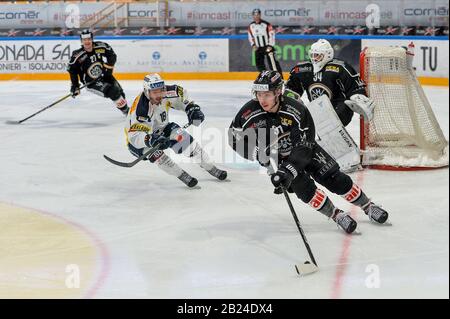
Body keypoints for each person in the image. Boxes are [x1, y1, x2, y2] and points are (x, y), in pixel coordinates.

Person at [229, 71, 389, 234]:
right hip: (280, 160)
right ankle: (336, 214)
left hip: (305, 151)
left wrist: (289, 170)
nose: (262, 99)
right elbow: (233, 137)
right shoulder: (248, 112)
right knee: (305, 190)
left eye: (267, 94)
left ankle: (368, 205)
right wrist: (256, 153)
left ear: (278, 92)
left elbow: (305, 145)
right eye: (259, 94)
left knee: (334, 178)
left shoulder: (295, 109)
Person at [125, 73, 227, 187]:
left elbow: (182, 95)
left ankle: (211, 168)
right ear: (146, 92)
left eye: (161, 90)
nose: (159, 95)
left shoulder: (169, 92)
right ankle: (181, 175)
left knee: (187, 143)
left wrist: (192, 108)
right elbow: (133, 137)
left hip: (163, 129)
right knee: (159, 155)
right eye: (155, 92)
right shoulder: (141, 109)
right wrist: (150, 139)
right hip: (141, 140)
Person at [286, 39, 374, 126]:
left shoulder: (340, 68)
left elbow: (354, 86)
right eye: (312, 55)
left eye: (317, 55)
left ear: (327, 54)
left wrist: (358, 96)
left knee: (341, 108)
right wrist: (291, 100)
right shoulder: (302, 69)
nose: (314, 59)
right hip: (317, 110)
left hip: (340, 109)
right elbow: (292, 89)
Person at [67, 29, 129, 115]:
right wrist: (75, 86)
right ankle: (127, 112)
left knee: (120, 91)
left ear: (92, 39)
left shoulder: (100, 47)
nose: (87, 41)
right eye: (84, 40)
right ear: (81, 41)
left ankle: (125, 109)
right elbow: (72, 70)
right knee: (113, 91)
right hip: (91, 82)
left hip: (104, 75)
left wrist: (108, 69)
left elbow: (111, 55)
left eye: (89, 39)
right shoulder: (78, 55)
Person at [247, 8, 283, 76]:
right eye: (254, 15)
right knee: (259, 64)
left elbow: (272, 35)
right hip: (258, 48)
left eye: (257, 15)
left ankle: (280, 78)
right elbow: (250, 36)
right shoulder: (251, 26)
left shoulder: (266, 24)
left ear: (260, 15)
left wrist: (270, 45)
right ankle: (265, 77)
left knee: (273, 64)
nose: (256, 16)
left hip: (267, 47)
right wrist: (253, 45)